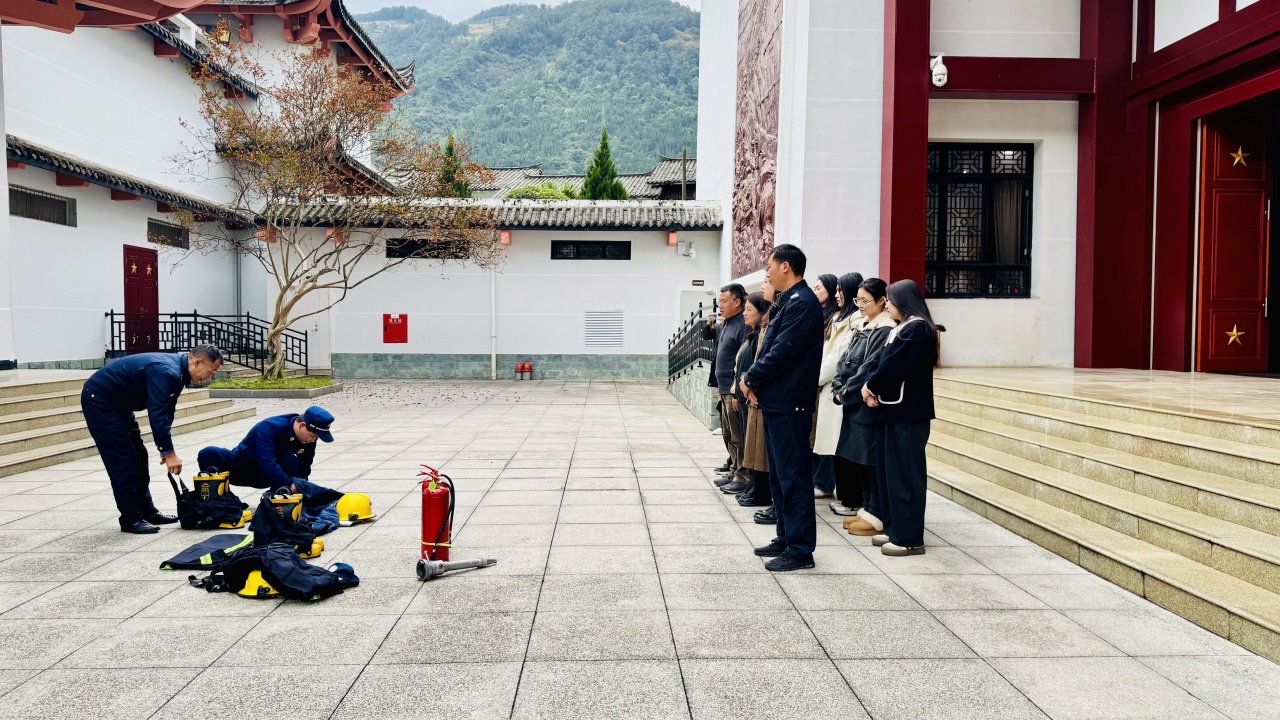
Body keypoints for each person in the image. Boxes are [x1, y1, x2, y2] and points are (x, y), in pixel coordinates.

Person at [741, 244, 824, 571]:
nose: (768, 273)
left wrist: (751, 377)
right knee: (779, 476)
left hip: (791, 404)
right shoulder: (788, 301)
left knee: (794, 477)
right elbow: (770, 349)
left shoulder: (802, 303)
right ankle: (786, 537)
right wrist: (754, 380)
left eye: (770, 267)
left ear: (786, 267)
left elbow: (782, 353)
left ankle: (800, 550)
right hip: (777, 402)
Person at [81, 345, 224, 533]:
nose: (209, 377)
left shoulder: (179, 374)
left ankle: (147, 511)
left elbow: (168, 411)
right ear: (197, 362)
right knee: (123, 461)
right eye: (211, 371)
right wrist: (168, 452)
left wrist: (165, 448)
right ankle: (131, 519)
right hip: (100, 401)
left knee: (140, 456)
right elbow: (157, 413)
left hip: (119, 404)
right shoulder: (166, 371)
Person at [860, 279, 941, 557]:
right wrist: (869, 386)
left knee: (905, 476)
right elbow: (880, 363)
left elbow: (894, 367)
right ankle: (895, 529)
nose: (887, 305)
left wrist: (871, 387)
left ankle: (909, 538)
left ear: (903, 301)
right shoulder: (903, 328)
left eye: (890, 300)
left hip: (908, 414)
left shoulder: (917, 328)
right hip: (891, 410)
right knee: (889, 475)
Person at [832, 278, 895, 536]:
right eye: (858, 300)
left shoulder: (884, 329)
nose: (860, 305)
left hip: (864, 404)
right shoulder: (863, 325)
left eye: (865, 300)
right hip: (852, 403)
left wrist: (845, 393)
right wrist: (838, 387)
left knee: (870, 461)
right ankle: (867, 509)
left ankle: (875, 512)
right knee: (859, 460)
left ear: (882, 301)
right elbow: (844, 362)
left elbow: (868, 369)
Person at [813, 272, 863, 511]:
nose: (837, 295)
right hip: (829, 385)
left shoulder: (855, 321)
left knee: (838, 445)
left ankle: (845, 496)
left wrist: (817, 379)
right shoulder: (841, 318)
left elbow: (838, 358)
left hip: (837, 387)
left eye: (840, 290)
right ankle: (843, 496)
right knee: (831, 443)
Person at [197, 406, 335, 489]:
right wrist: (290, 485)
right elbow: (267, 461)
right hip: (244, 467)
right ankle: (219, 499)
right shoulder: (270, 426)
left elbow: (305, 467)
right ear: (302, 425)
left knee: (290, 461)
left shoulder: (309, 438)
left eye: (316, 438)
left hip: (269, 477)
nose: (313, 440)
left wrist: (301, 488)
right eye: (313, 436)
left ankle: (278, 498)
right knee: (208, 453)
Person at [703, 284, 749, 489]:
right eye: (719, 302)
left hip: (733, 390)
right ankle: (733, 470)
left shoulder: (742, 325)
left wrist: (735, 390)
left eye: (724, 302)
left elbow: (742, 361)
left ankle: (742, 476)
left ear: (737, 302)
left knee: (738, 435)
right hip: (723, 389)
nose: (719, 306)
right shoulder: (726, 323)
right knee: (729, 434)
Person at [732, 290, 773, 505]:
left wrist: (748, 385)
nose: (744, 314)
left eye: (749, 310)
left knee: (758, 447)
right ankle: (753, 486)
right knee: (750, 445)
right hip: (745, 393)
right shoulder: (752, 334)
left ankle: (759, 490)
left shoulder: (762, 335)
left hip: (755, 395)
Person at [810, 273, 840, 498]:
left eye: (819, 288)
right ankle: (816, 479)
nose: (815, 291)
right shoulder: (818, 315)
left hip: (824, 382)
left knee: (824, 435)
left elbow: (831, 356)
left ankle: (824, 482)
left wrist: (817, 379)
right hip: (813, 381)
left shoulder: (836, 318)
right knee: (814, 435)